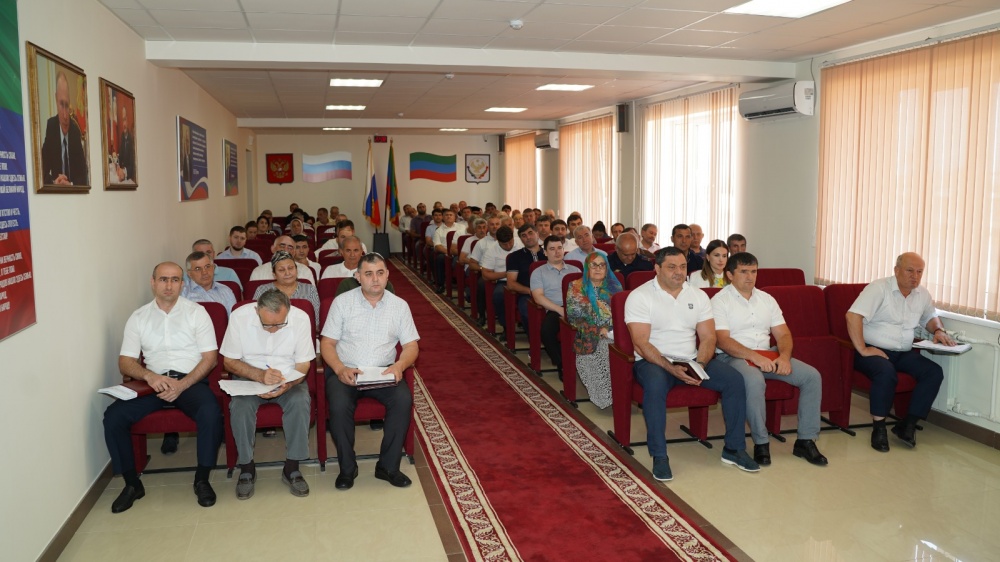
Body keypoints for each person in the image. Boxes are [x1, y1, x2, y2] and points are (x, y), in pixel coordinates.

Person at [624, 248, 758, 481]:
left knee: (734, 380)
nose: (679, 272)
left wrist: (700, 365)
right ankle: (659, 455)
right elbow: (641, 343)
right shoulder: (640, 296)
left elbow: (708, 337)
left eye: (683, 266)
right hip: (653, 361)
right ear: (657, 269)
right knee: (655, 385)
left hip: (691, 359)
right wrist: (670, 368)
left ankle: (734, 449)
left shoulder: (698, 295)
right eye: (671, 267)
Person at [103, 262, 222, 512]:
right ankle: (132, 483)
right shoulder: (138, 317)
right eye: (163, 279)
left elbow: (210, 358)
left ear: (182, 284)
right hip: (153, 383)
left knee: (210, 412)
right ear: (153, 282)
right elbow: (125, 362)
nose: (169, 285)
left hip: (189, 381)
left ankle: (202, 479)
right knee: (113, 416)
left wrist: (182, 385)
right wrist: (150, 376)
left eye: (175, 280)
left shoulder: (197, 312)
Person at [712, 252, 828, 467]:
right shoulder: (720, 301)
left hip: (767, 354)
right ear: (729, 275)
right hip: (734, 356)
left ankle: (806, 440)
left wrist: (784, 357)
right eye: (744, 272)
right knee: (754, 380)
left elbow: (783, 334)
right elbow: (723, 341)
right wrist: (754, 357)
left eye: (754, 271)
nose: (750, 277)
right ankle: (761, 442)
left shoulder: (767, 299)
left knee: (812, 376)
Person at [321, 253, 419, 490]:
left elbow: (411, 346)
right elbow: (327, 343)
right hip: (346, 371)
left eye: (380, 273)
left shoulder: (399, 306)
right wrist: (339, 368)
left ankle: (388, 466)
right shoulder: (342, 302)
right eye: (368, 273)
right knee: (339, 405)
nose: (375, 279)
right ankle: (347, 468)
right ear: (357, 277)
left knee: (403, 399)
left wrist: (400, 365)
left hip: (383, 372)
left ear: (387, 275)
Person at [847, 252, 955, 451]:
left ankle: (908, 424)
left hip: (903, 352)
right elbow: (853, 316)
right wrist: (862, 348)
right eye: (910, 270)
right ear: (896, 271)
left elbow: (930, 317)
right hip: (873, 350)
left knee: (933, 372)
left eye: (919, 272)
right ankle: (879, 428)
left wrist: (938, 330)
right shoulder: (879, 288)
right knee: (886, 372)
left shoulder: (922, 294)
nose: (915, 276)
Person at [221, 289, 315, 499]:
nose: (273, 330)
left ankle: (292, 467)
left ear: (288, 311)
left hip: (287, 377)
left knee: (300, 401)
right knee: (240, 407)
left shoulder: (300, 318)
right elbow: (229, 361)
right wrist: (259, 375)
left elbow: (303, 365)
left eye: (279, 324)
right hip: (249, 376)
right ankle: (246, 468)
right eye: (267, 325)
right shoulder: (239, 317)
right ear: (257, 311)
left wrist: (288, 384)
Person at [566, 253, 622, 408]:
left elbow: (621, 313)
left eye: (602, 265)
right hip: (589, 334)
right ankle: (606, 398)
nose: (598, 268)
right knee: (605, 349)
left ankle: (621, 394)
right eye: (594, 265)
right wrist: (598, 329)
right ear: (587, 267)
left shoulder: (615, 287)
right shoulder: (576, 286)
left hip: (614, 332)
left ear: (607, 267)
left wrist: (609, 329)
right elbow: (574, 316)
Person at [530, 236, 581, 378]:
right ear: (545, 252)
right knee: (546, 331)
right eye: (552, 249)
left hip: (576, 307)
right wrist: (559, 310)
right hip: (555, 308)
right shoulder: (538, 272)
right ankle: (562, 364)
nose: (557, 252)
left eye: (559, 248)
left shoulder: (575, 270)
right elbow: (538, 297)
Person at [41, 71, 88, 186]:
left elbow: (84, 175)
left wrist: (70, 185)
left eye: (67, 105)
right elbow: (41, 170)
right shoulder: (51, 127)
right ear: (56, 99)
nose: (65, 116)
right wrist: (54, 183)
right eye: (61, 104)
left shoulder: (75, 131)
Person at [253, 251, 320, 327]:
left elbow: (316, 322)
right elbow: (255, 319)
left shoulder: (310, 289)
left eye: (290, 268)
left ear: (296, 270)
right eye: (281, 270)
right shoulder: (262, 290)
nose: (287, 273)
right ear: (274, 274)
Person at [506, 224, 546, 335]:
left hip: (550, 292)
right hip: (527, 294)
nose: (528, 237)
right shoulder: (515, 257)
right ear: (521, 239)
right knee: (528, 312)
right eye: (524, 236)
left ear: (537, 234)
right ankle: (535, 339)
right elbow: (511, 283)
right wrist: (530, 291)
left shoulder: (548, 253)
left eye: (530, 233)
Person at [479, 226, 519, 328]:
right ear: (498, 241)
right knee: (499, 296)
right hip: (503, 281)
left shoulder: (521, 243)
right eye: (504, 244)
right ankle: (506, 326)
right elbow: (485, 274)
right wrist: (507, 274)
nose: (508, 246)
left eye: (510, 242)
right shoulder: (491, 250)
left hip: (522, 279)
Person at [432, 209, 463, 293]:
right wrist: (449, 252)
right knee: (440, 258)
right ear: (443, 217)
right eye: (446, 215)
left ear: (455, 217)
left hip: (460, 252)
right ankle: (441, 284)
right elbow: (437, 246)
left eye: (451, 215)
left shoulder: (462, 227)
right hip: (446, 252)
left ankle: (459, 283)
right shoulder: (438, 230)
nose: (449, 216)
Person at [116, 103, 135, 183]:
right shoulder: (123, 136)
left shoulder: (132, 138)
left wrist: (124, 172)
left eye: (125, 119)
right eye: (122, 120)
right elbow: (121, 157)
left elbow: (133, 166)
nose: (123, 124)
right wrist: (118, 165)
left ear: (128, 119)